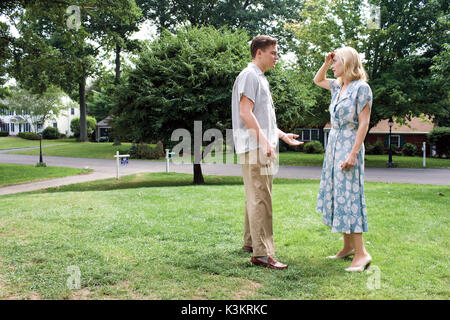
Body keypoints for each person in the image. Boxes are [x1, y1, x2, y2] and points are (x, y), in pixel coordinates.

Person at [231, 35, 302, 270]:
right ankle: (263, 254)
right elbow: (245, 113)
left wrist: (281, 136)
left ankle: (251, 243)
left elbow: (262, 119)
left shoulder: (259, 78)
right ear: (258, 52)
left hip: (258, 145)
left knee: (255, 195)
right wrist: (264, 142)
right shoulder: (250, 75)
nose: (277, 57)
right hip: (256, 148)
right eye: (273, 52)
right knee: (262, 198)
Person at [314, 46, 373, 272]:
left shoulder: (361, 88)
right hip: (334, 145)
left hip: (349, 145)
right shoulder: (338, 86)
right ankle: (348, 247)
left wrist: (353, 154)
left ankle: (362, 253)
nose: (333, 65)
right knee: (339, 195)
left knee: (350, 196)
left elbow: (364, 123)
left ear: (347, 63)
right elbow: (317, 79)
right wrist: (326, 62)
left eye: (336, 61)